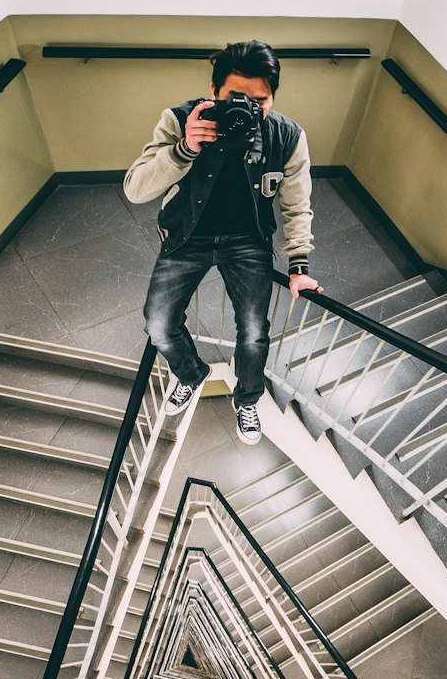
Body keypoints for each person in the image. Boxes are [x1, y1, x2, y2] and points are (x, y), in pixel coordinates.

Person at [123, 40, 322, 445]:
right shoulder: (180, 119)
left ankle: (246, 398)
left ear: (273, 98)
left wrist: (299, 266)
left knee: (253, 331)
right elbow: (135, 189)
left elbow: (297, 204)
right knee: (158, 324)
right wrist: (184, 148)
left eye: (260, 101)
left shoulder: (287, 136)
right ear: (213, 92)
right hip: (187, 235)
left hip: (248, 240)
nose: (248, 108)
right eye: (236, 98)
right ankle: (191, 374)